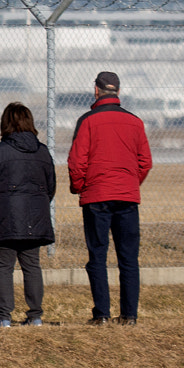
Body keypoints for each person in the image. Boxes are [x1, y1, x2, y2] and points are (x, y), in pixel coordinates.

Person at [68, 71, 153, 324]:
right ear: (118, 91)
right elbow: (145, 162)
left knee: (97, 256)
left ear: (96, 90)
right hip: (127, 197)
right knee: (128, 259)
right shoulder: (135, 122)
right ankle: (129, 315)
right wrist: (129, 183)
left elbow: (76, 161)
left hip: (97, 196)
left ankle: (101, 314)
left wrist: (81, 187)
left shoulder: (87, 121)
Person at [0, 102, 56, 327]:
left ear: (5, 124)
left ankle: (3, 317)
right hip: (35, 219)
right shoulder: (43, 152)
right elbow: (50, 186)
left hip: (4, 218)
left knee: (3, 266)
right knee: (32, 266)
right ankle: (36, 316)